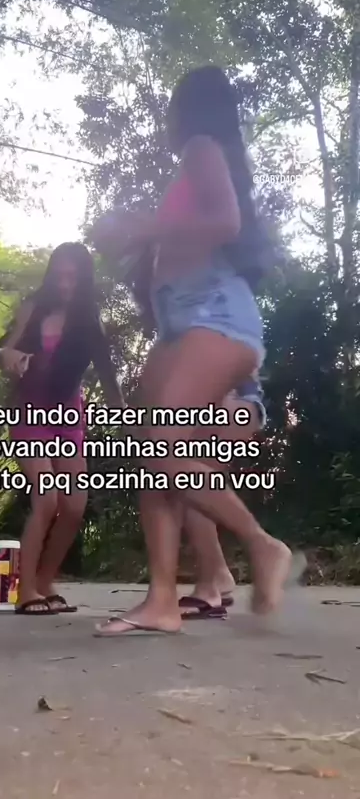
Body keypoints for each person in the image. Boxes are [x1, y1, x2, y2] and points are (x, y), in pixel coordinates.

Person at [92, 66, 296, 637]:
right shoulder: (198, 161)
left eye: (172, 106)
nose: (167, 118)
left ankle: (261, 544)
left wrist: (145, 227)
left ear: (188, 109)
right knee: (150, 455)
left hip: (214, 312)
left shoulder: (201, 147)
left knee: (160, 443)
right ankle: (161, 600)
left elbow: (225, 221)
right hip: (181, 321)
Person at [0, 242, 124, 615]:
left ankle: (45, 581)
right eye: (60, 275)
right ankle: (25, 590)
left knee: (74, 505)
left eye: (73, 277)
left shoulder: (89, 322)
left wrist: (128, 419)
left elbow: (107, 375)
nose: (65, 284)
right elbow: (2, 353)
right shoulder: (33, 309)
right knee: (47, 499)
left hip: (68, 417)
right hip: (30, 414)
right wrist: (9, 357)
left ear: (84, 281)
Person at [179, 380, 265, 619]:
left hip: (229, 399)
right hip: (234, 399)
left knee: (188, 478)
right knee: (190, 483)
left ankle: (211, 585)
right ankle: (217, 576)